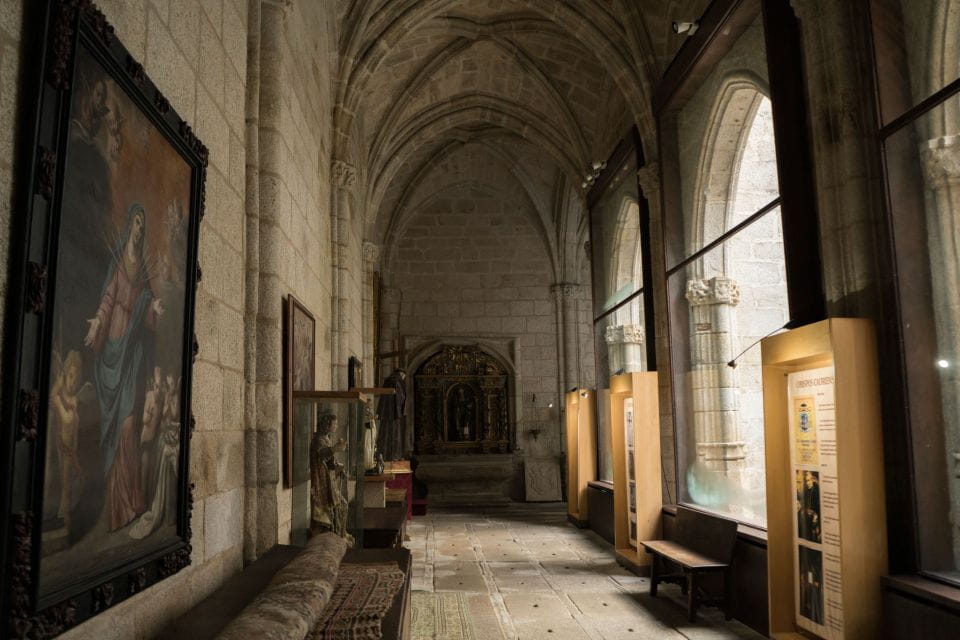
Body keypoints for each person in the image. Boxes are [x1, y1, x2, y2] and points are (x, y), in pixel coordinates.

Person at [85, 203, 163, 531]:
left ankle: (129, 501)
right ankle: (116, 507)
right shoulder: (119, 263)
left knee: (129, 424)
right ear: (130, 225)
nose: (140, 229)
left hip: (132, 355)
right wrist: (97, 323)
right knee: (117, 426)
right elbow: (107, 300)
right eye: (137, 222)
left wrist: (153, 307)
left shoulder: (141, 270)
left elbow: (146, 311)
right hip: (113, 349)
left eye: (143, 224)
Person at [310, 413, 352, 543]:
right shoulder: (318, 440)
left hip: (329, 481)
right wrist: (336, 448)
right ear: (327, 425)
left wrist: (339, 467)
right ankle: (337, 536)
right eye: (335, 424)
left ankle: (340, 534)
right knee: (335, 508)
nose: (336, 426)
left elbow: (330, 462)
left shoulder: (326, 439)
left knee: (341, 506)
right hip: (321, 481)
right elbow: (323, 454)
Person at [376, 368, 407, 461]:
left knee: (384, 433)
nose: (403, 378)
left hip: (386, 412)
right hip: (394, 412)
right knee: (394, 434)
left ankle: (383, 454)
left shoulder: (388, 380)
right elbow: (401, 397)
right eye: (404, 376)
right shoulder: (397, 381)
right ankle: (393, 456)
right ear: (401, 374)